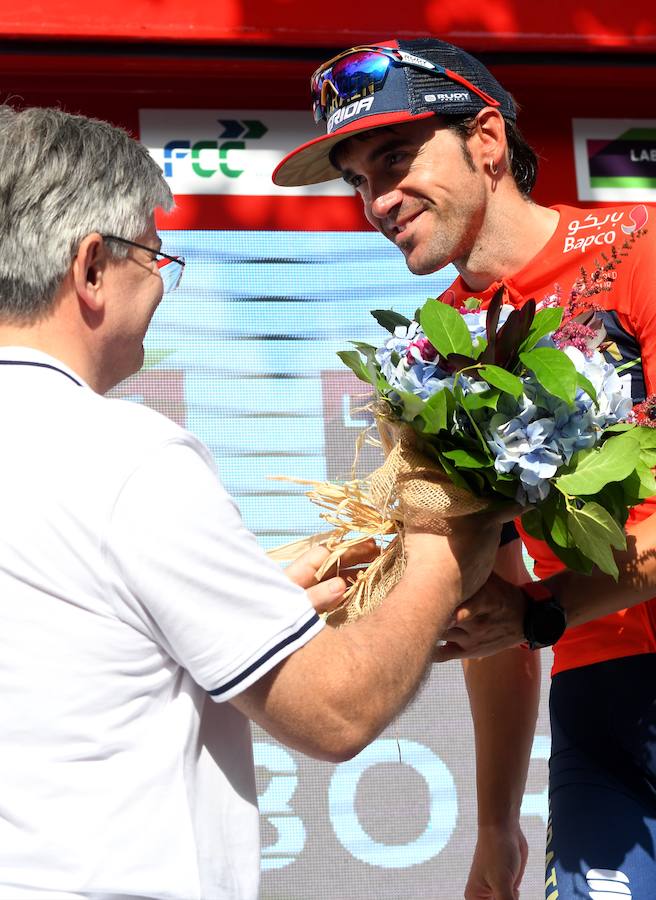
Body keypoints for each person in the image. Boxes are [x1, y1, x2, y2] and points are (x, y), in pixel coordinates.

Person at [0, 102, 506, 900]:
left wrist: (247, 596)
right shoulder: (127, 459)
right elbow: (333, 713)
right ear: (92, 269)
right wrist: (444, 556)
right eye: (153, 258)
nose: (164, 285)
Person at [274, 37, 656, 900]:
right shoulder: (429, 356)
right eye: (360, 179)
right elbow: (497, 602)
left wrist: (544, 612)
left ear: (487, 140)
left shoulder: (642, 248)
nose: (377, 198)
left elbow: (529, 612)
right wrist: (494, 830)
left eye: (396, 158)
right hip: (598, 705)